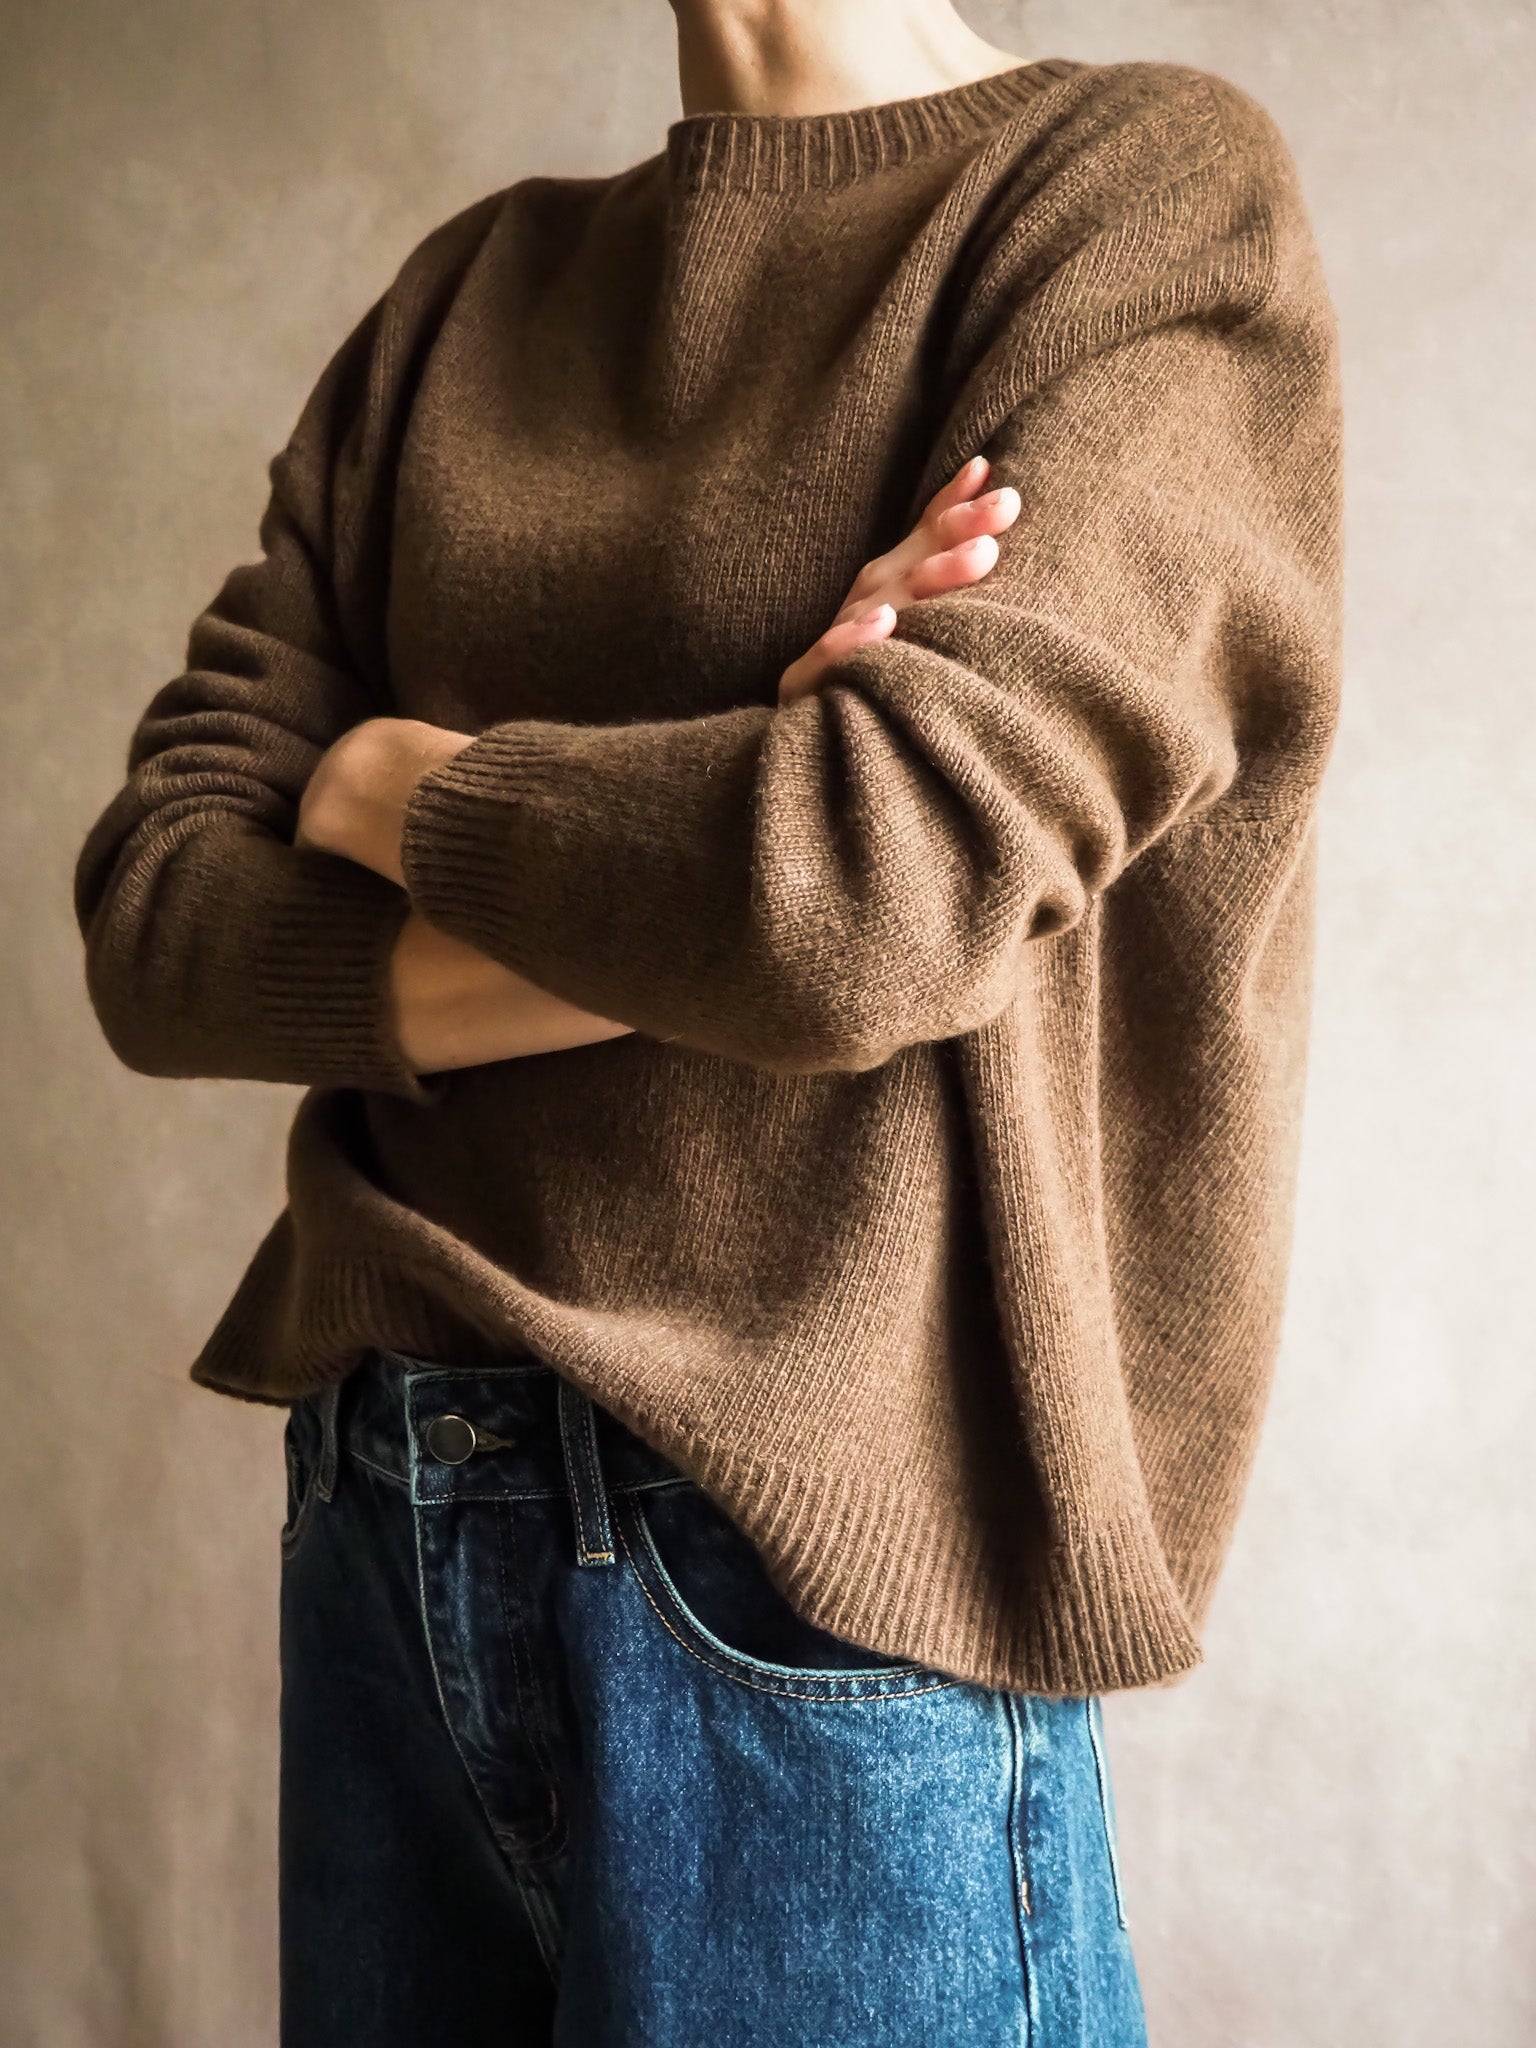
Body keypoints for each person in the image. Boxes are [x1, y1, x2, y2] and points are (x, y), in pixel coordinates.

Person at [71, 0, 1343, 2041]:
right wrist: (735, 807)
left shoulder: (1132, 200)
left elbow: (868, 894)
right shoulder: (465, 299)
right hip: (385, 1525)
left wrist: (394, 786)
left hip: (814, 1573)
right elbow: (162, 917)